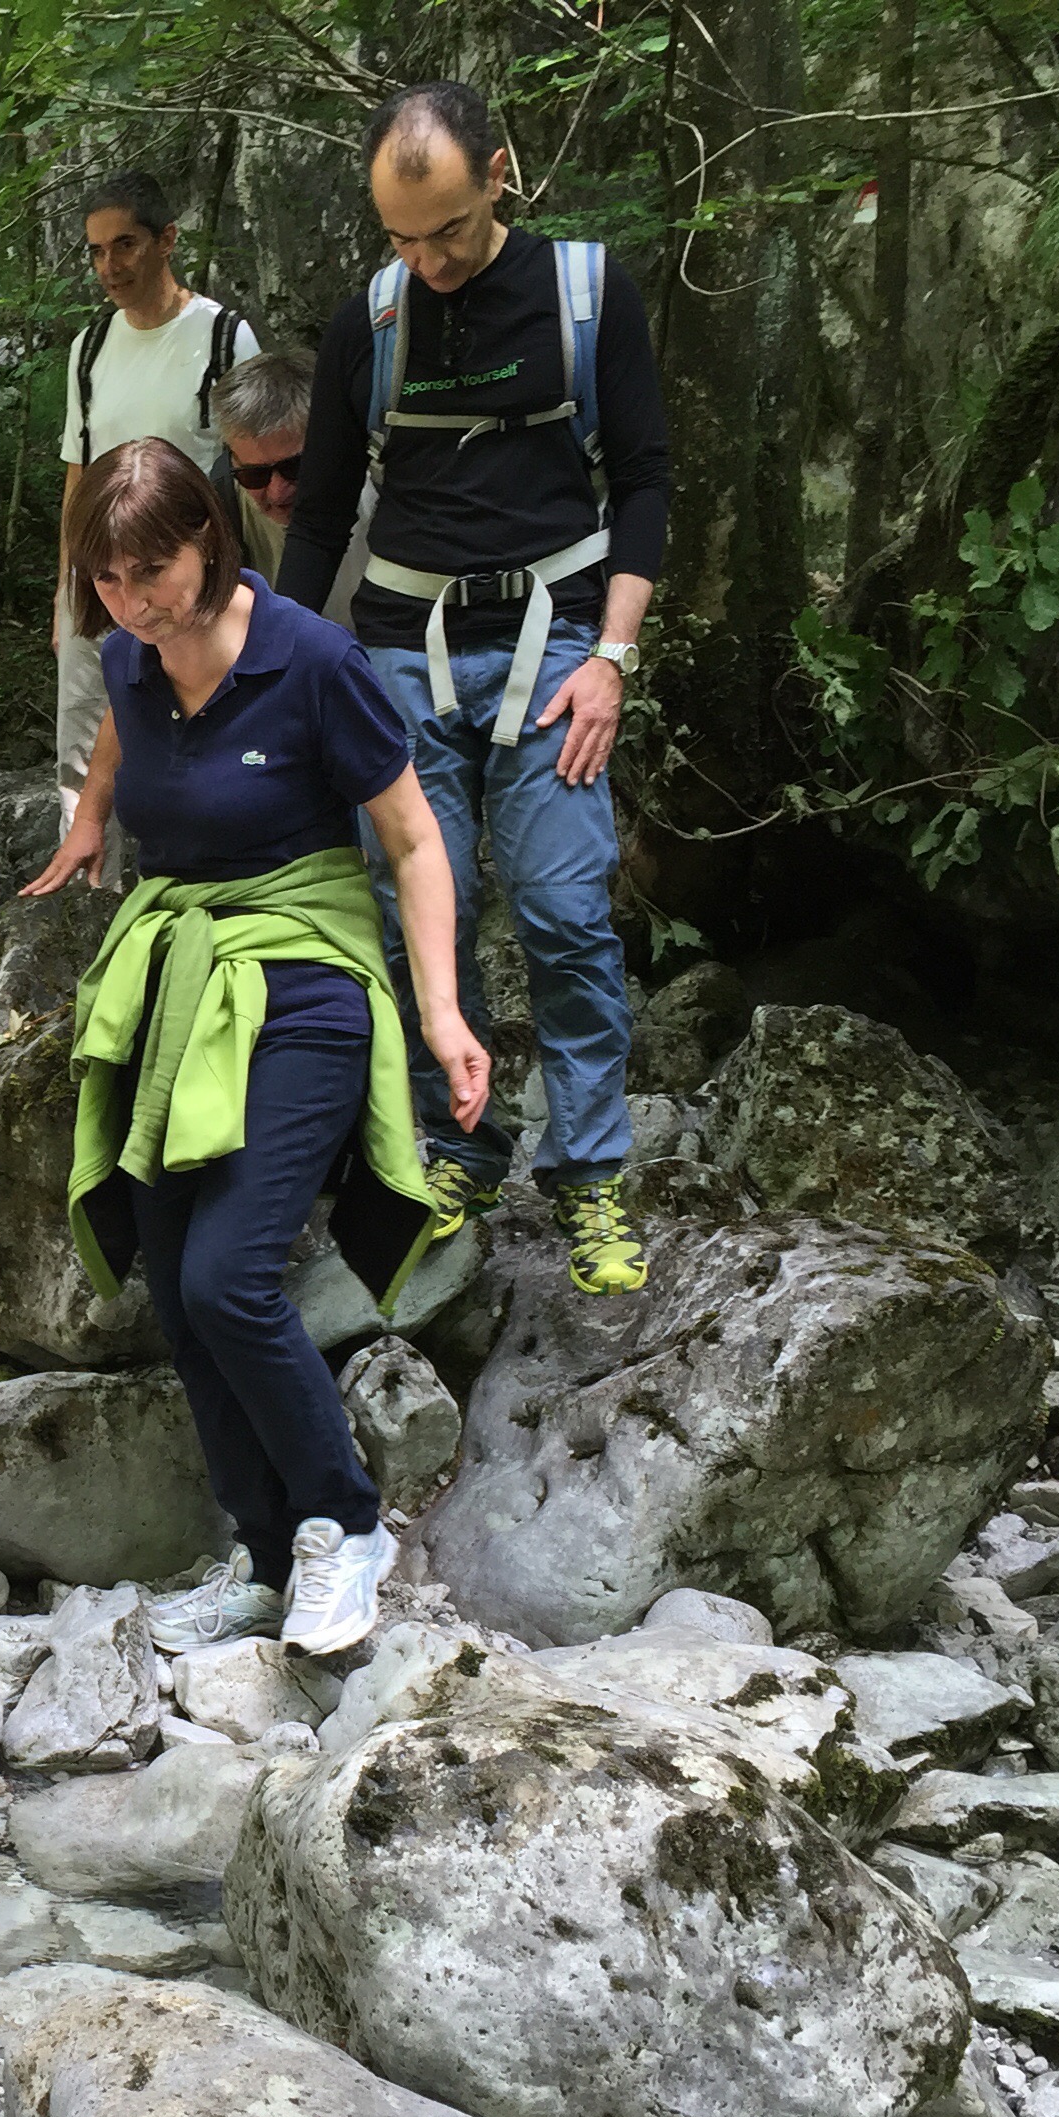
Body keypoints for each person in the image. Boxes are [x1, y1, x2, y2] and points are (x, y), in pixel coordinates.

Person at [28, 440, 489, 1656]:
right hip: (182, 990)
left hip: (306, 990)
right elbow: (120, 742)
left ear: (209, 539)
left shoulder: (314, 660)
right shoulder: (127, 657)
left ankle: (351, 1525)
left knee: (228, 1279)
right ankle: (269, 1558)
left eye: (152, 572)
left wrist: (441, 1013)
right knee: (179, 1293)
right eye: (107, 578)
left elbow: (414, 841)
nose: (132, 600)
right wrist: (88, 824)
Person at [275, 80, 672, 1296]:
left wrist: (612, 662)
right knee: (413, 920)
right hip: (402, 652)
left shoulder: (587, 295)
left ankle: (590, 1175)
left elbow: (645, 482)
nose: (430, 262)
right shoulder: (372, 323)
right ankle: (458, 1148)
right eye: (402, 238)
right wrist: (281, 671)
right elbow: (320, 516)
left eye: (447, 229)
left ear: (499, 175)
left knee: (563, 911)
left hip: (559, 649)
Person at [53, 170, 261, 862]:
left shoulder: (224, 337)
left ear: (166, 240)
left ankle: (199, 875)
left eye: (125, 245)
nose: (109, 266)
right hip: (98, 576)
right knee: (83, 737)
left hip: (185, 580)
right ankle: (88, 895)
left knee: (192, 732)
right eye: (96, 251)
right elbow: (79, 474)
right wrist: (65, 588)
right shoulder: (90, 349)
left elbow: (255, 466)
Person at [215, 347, 365, 627]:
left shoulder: (382, 490)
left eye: (295, 468)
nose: (277, 492)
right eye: (254, 475)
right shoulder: (222, 506)